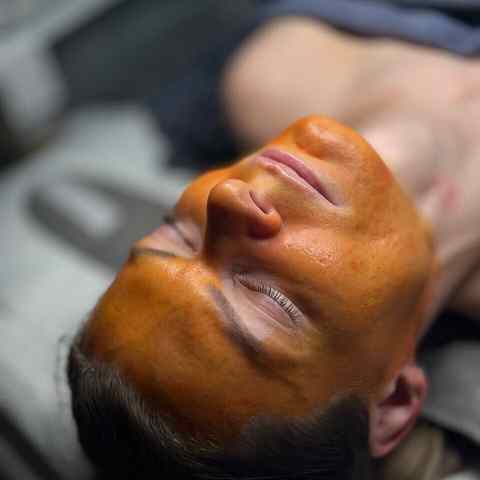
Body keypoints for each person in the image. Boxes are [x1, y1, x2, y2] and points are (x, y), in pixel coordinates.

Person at [69, 6, 480, 480]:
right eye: (270, 300)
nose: (227, 198)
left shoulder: (260, 79)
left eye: (175, 234)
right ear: (393, 403)